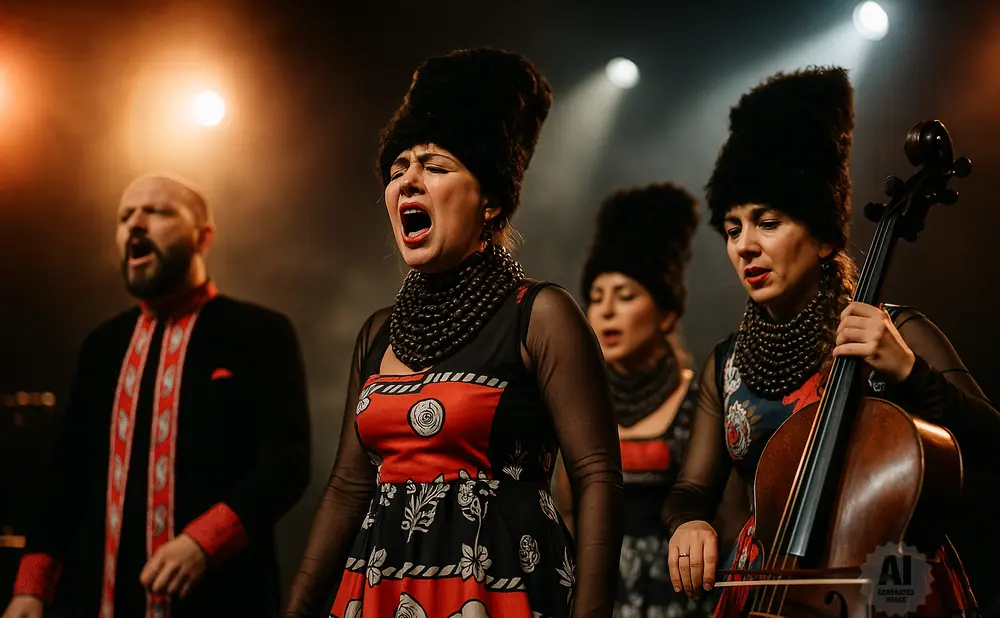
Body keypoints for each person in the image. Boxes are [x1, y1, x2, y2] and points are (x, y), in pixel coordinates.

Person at [281, 48, 624, 618]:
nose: (408, 181)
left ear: (490, 202)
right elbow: (347, 488)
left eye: (436, 167)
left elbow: (596, 477)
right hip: (381, 591)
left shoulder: (540, 315)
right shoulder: (378, 332)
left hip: (499, 590)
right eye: (397, 170)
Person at [661, 66, 997, 616]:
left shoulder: (897, 332)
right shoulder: (725, 365)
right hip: (766, 589)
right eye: (733, 228)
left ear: (820, 238)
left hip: (885, 586)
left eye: (767, 222)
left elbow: (993, 444)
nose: (745, 246)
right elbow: (692, 489)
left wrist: (910, 373)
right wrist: (688, 522)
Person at [3, 174, 312, 618]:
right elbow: (65, 477)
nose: (135, 223)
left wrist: (203, 543)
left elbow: (287, 463)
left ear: (203, 237)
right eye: (125, 216)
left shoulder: (259, 332)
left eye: (158, 211)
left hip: (223, 602)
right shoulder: (101, 346)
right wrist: (30, 589)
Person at [551, 183, 718, 618]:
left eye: (625, 296)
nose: (606, 311)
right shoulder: (578, 405)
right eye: (596, 298)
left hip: (683, 601)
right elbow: (567, 515)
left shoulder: (699, 400)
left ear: (666, 314)